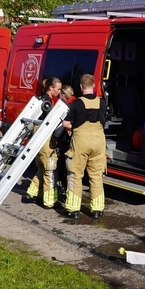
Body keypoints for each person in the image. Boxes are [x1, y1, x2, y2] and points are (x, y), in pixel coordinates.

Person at [62, 74, 107, 220]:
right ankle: (97, 210)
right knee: (96, 175)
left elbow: (66, 123)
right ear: (94, 86)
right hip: (99, 141)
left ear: (81, 87)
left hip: (81, 141)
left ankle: (73, 209)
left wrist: (74, 126)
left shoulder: (76, 103)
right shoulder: (102, 102)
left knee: (75, 174)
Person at [26, 76, 62, 209]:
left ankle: (32, 192)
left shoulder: (42, 99)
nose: (59, 91)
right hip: (46, 141)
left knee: (41, 168)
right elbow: (50, 122)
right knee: (50, 171)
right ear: (51, 88)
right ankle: (49, 201)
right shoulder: (47, 102)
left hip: (38, 141)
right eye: (57, 89)